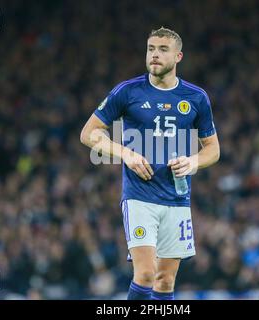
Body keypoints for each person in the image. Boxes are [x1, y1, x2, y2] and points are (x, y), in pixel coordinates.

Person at [80, 27, 220, 300]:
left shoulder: (196, 98)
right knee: (145, 274)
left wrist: (193, 162)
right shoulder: (128, 91)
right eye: (151, 49)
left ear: (178, 56)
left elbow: (213, 149)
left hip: (177, 199)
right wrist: (126, 154)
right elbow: (89, 133)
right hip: (139, 197)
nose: (155, 55)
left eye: (162, 49)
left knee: (165, 281)